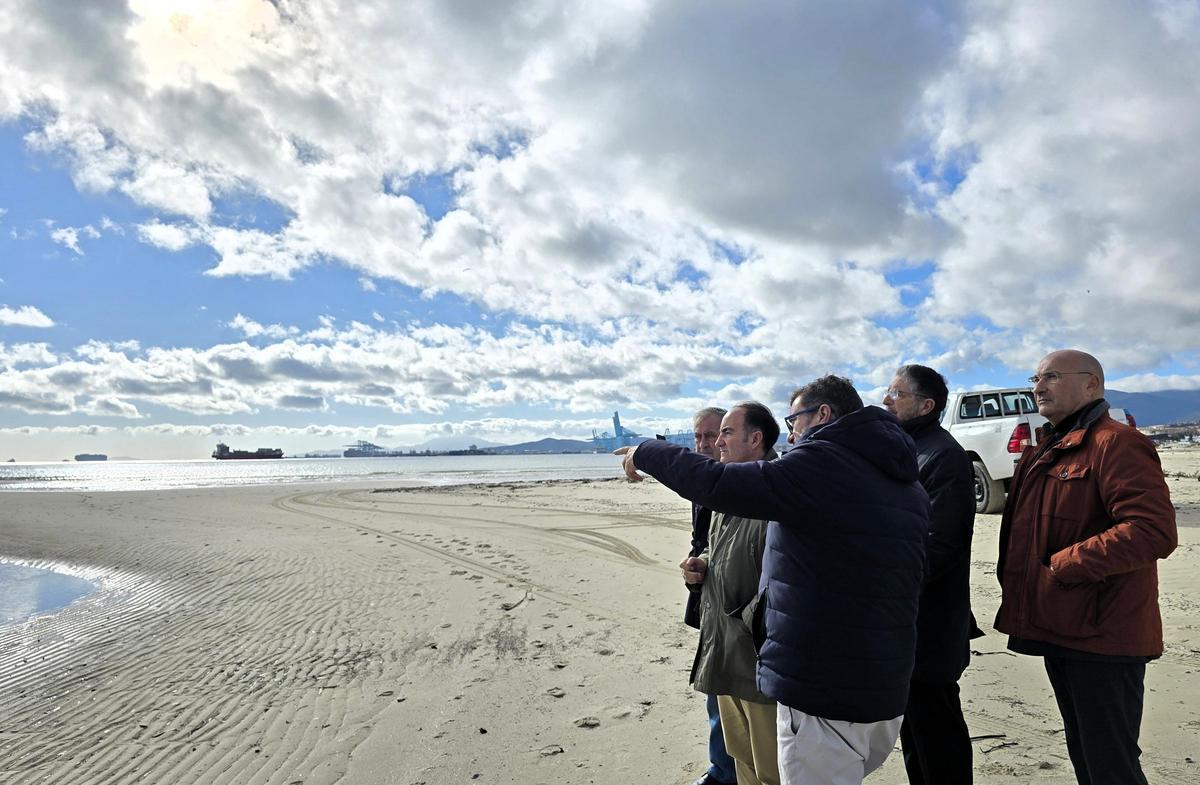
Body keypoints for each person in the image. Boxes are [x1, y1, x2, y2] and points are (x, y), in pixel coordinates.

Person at [620, 376, 928, 785]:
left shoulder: (824, 463)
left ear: (822, 414)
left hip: (824, 684)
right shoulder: (900, 480)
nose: (792, 434)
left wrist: (648, 451)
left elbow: (716, 483)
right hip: (883, 679)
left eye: (793, 420)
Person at [994, 350, 1177, 785]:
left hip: (1104, 633)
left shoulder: (1116, 442)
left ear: (1091, 385)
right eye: (1035, 377)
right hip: (1062, 624)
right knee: (1086, 754)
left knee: (1110, 762)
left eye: (1052, 377)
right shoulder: (1051, 446)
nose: (1038, 386)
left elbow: (1152, 530)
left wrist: (1062, 568)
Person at [883, 365, 979, 785]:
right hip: (903, 620)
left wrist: (882, 586)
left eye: (897, 393)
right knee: (913, 731)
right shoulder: (906, 451)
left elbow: (940, 547)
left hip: (931, 622)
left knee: (938, 731)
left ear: (926, 405)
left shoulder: (943, 455)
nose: (887, 400)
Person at [681, 402, 780, 785]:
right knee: (741, 756)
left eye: (724, 433)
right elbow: (719, 546)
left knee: (771, 764)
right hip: (723, 644)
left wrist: (748, 619)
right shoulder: (728, 485)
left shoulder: (777, 488)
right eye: (707, 435)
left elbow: (789, 572)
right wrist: (702, 565)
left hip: (758, 654)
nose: (715, 443)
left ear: (755, 439)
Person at [686, 407, 738, 785]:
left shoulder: (739, 479)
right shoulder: (703, 483)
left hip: (740, 607)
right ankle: (721, 771)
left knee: (733, 694)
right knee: (716, 691)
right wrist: (695, 565)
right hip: (711, 598)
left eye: (713, 435)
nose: (706, 444)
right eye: (699, 436)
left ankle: (728, 773)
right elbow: (703, 540)